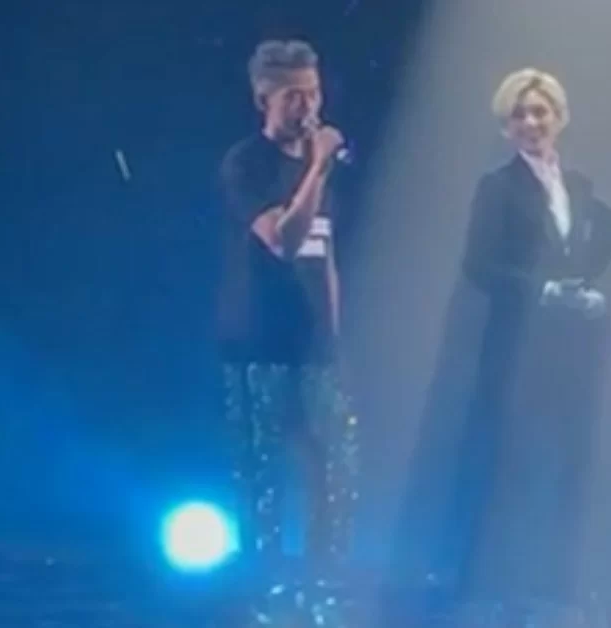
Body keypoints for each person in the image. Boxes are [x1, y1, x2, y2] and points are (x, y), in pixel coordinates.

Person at [458, 67, 611, 622]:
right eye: (520, 115)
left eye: (540, 112)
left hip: (571, 346)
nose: (531, 123)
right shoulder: (497, 187)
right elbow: (478, 265)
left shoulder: (577, 184)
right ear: (506, 127)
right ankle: (508, 581)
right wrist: (544, 291)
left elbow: (604, 237)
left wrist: (584, 286)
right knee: (515, 463)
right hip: (517, 348)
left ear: (559, 118)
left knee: (574, 459)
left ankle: (567, 579)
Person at [216, 39, 359, 627]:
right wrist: (318, 167)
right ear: (263, 99)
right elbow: (285, 240)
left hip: (314, 345)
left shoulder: (320, 167)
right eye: (294, 96)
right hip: (258, 339)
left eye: (314, 93)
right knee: (266, 475)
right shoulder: (245, 164)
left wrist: (333, 333)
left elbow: (325, 254)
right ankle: (266, 591)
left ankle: (324, 586)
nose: (308, 107)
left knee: (335, 467)